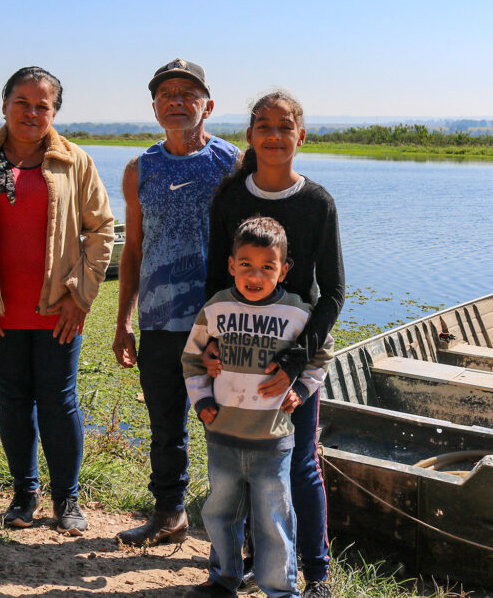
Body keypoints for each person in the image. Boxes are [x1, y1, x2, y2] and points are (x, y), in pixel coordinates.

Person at [0, 67, 114, 535]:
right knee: (14, 400)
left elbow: (101, 229)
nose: (32, 112)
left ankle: (67, 500)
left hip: (59, 308)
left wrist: (81, 294)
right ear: (4, 105)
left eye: (43, 105)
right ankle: (24, 494)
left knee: (59, 401)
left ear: (54, 112)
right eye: (23, 102)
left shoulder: (74, 161)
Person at [205, 91, 345, 598]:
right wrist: (211, 343)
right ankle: (238, 564)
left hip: (294, 353)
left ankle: (316, 573)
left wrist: (296, 358)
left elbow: (332, 293)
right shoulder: (230, 198)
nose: (274, 135)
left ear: (300, 136)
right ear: (250, 136)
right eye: (263, 125)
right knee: (237, 459)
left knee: (301, 463)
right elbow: (214, 281)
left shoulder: (317, 203)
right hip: (237, 353)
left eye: (285, 126)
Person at [113, 59, 239, 545]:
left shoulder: (231, 162)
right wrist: (123, 321)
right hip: (159, 322)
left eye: (189, 94)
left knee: (226, 429)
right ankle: (169, 514)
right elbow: (135, 250)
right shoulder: (140, 168)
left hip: (221, 322)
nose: (177, 102)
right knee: (166, 425)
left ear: (208, 105)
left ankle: (230, 528)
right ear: (154, 106)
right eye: (167, 94)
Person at [184, 217, 333, 598]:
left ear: (283, 271)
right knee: (220, 512)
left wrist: (301, 387)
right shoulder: (216, 308)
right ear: (232, 266)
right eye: (246, 264)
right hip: (222, 435)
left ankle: (281, 589)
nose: (255, 275)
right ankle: (223, 579)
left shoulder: (297, 313)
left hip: (272, 440)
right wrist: (201, 403)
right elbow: (193, 358)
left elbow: (322, 353)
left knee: (274, 519)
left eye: (267, 267)